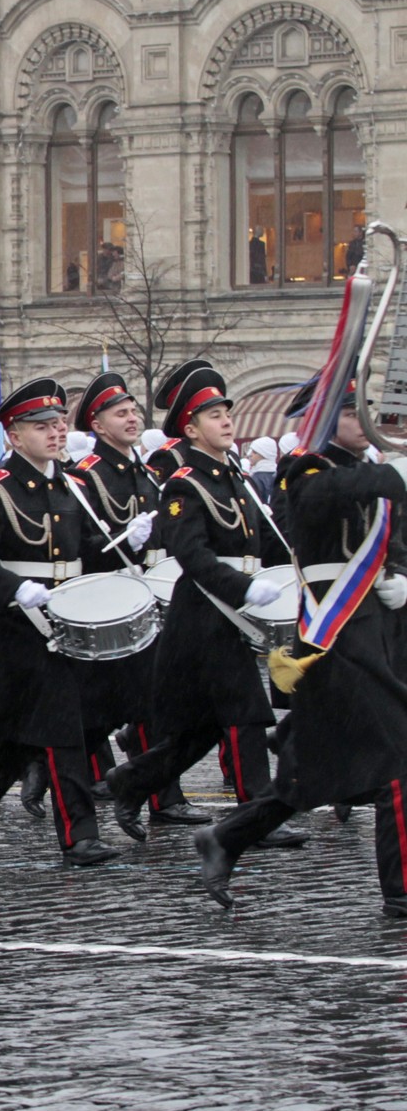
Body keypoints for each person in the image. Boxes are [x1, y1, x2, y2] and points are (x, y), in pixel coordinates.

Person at [196, 388, 407, 915]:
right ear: (325, 420)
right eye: (352, 413)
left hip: (373, 625)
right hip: (334, 635)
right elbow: (318, 502)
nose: (365, 421)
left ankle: (227, 836)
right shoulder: (303, 467)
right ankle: (402, 890)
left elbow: (392, 540)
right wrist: (394, 474)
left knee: (311, 767)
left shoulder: (372, 469)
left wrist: (400, 574)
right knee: (399, 756)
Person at [0, 378, 137, 866]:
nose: (56, 433)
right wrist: (13, 588)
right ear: (15, 435)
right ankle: (79, 836)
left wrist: (129, 544)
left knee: (23, 742)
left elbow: (87, 553)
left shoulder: (72, 486)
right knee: (58, 732)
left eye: (59, 424)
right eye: (42, 426)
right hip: (18, 631)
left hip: (64, 623)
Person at [104, 366, 302, 846]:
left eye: (227, 413)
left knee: (204, 729)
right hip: (206, 614)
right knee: (249, 713)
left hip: (235, 610)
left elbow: (263, 544)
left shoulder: (234, 476)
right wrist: (241, 587)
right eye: (214, 416)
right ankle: (256, 819)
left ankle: (130, 783)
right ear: (191, 429)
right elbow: (190, 553)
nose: (227, 422)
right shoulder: (185, 484)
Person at [65, 372, 208, 830]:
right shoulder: (86, 477)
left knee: (151, 702)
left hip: (145, 602)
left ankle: (161, 796)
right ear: (98, 426)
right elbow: (80, 546)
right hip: (106, 603)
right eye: (120, 413)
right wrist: (123, 543)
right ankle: (32, 763)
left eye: (133, 411)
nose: (131, 419)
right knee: (94, 711)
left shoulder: (144, 471)